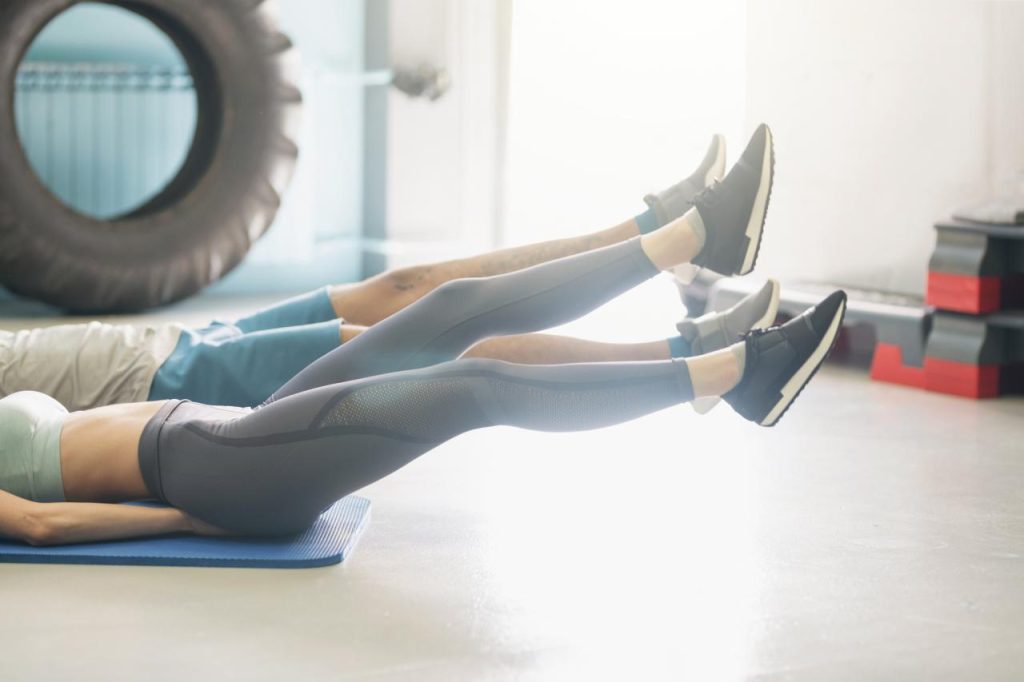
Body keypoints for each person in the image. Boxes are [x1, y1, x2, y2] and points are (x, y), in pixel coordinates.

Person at [0, 125, 848, 546]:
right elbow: (38, 526)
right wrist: (192, 520)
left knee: (446, 311)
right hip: (217, 471)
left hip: (215, 430)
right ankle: (729, 375)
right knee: (476, 387)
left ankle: (688, 239)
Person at [0, 134, 775, 412]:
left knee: (406, 289)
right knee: (441, 346)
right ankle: (704, 361)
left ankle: (656, 231)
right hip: (168, 386)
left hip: (169, 343)